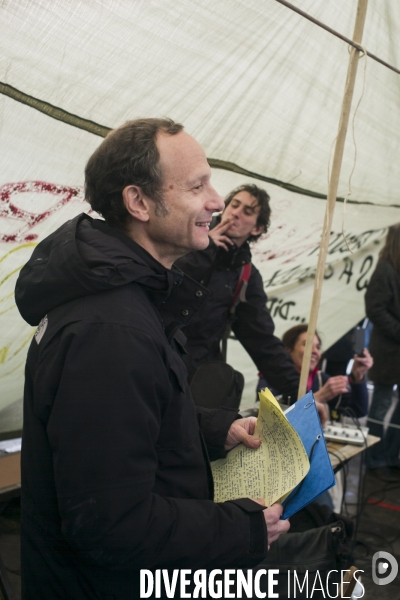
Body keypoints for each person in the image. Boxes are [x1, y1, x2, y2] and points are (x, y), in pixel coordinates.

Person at [15, 119, 289, 599]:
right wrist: (242, 528)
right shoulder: (109, 333)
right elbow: (111, 525)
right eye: (197, 185)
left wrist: (210, 429)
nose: (217, 202)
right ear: (138, 202)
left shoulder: (128, 301)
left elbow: (133, 418)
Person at [176, 184, 300, 402]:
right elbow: (165, 283)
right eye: (234, 204)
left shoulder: (246, 275)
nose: (236, 212)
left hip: (197, 381)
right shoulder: (183, 236)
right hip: (154, 362)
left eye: (247, 211)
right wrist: (206, 248)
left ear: (257, 229)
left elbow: (260, 339)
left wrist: (299, 393)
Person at [280, 324, 373, 420]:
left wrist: (358, 376)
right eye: (307, 344)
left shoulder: (322, 380)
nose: (315, 351)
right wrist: (317, 398)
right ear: (288, 350)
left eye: (318, 347)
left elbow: (357, 410)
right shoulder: (273, 379)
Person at [365, 223, 400, 471]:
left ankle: (390, 455)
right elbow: (374, 308)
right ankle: (374, 458)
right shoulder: (385, 269)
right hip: (388, 352)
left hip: (393, 350)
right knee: (380, 406)